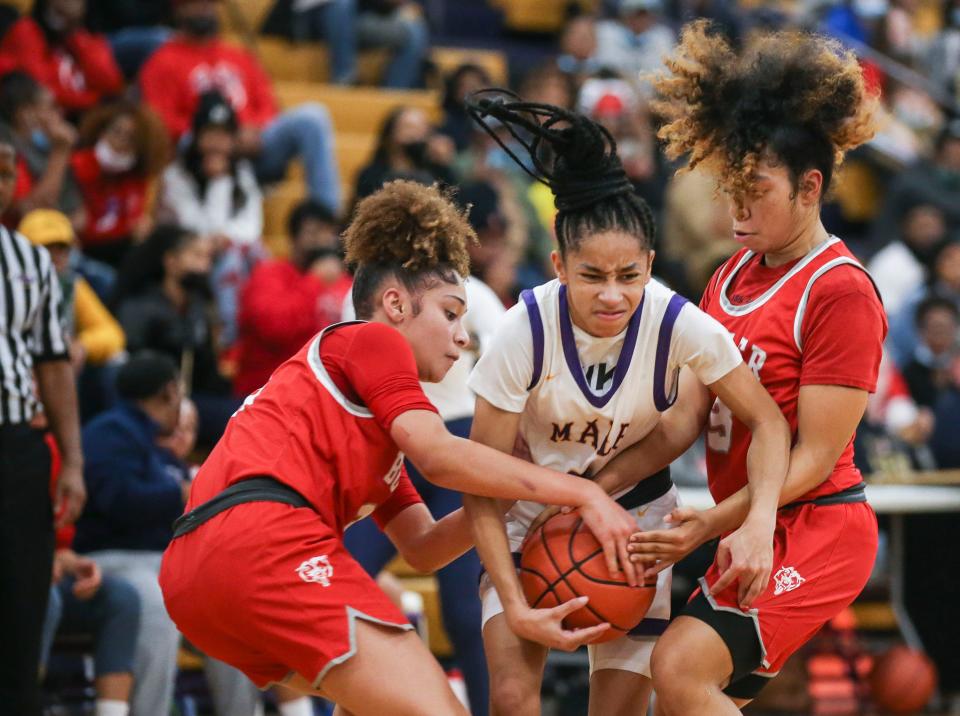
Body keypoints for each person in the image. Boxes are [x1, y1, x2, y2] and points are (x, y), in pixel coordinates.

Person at [158, 180, 639, 716]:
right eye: (451, 313)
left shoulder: (365, 423)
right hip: (262, 541)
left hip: (194, 574)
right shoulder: (371, 339)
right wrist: (579, 491)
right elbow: (438, 455)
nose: (463, 337)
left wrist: (523, 488)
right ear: (395, 304)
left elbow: (424, 547)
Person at [460, 92, 789, 716]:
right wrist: (516, 601)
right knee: (509, 696)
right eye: (591, 276)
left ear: (650, 265)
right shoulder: (521, 329)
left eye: (628, 275)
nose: (612, 295)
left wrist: (759, 521)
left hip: (635, 522)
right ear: (559, 265)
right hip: (528, 510)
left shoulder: (681, 323)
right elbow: (480, 480)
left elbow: (767, 421)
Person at [597, 22, 886, 713]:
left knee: (679, 667)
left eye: (756, 188)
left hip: (817, 523)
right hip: (751, 518)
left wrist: (712, 524)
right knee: (680, 697)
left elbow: (816, 455)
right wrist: (592, 487)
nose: (737, 207)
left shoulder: (840, 288)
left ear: (810, 187)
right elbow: (683, 423)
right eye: (731, 188)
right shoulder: (728, 276)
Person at [74, 352, 261, 716]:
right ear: (170, 392)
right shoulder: (108, 433)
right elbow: (117, 501)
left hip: (161, 560)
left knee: (229, 603)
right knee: (160, 600)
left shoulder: (157, 442)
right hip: (110, 558)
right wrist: (177, 493)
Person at [0, 137, 84, 715]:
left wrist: (72, 460)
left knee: (21, 604)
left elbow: (53, 363)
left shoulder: (30, 261)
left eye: (7, 172)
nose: (1, 183)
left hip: (16, 447)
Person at [140, 0, 341, 213]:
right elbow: (161, 122)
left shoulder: (238, 56)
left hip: (252, 151)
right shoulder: (161, 61)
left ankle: (326, 218)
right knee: (187, 141)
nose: (205, 9)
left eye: (209, 5)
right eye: (196, 4)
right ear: (178, 8)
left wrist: (254, 130)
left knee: (313, 117)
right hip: (200, 156)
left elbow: (268, 106)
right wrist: (220, 138)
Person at [113, 225, 239, 447]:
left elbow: (208, 371)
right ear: (171, 261)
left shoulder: (200, 306)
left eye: (207, 258)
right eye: (196, 256)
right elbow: (133, 365)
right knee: (237, 420)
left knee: (252, 410)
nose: (205, 266)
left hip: (197, 398)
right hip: (155, 404)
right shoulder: (141, 307)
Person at [157, 91, 264, 349]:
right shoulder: (177, 176)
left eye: (224, 135)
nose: (217, 143)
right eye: (210, 134)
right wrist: (218, 181)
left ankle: (254, 332)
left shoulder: (241, 174)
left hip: (224, 250)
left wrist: (225, 237)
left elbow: (251, 225)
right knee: (230, 260)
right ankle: (229, 338)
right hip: (184, 251)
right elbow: (193, 226)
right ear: (196, 137)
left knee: (256, 255)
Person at [234, 199, 350, 397]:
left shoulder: (344, 282)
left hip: (325, 393)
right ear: (293, 237)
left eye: (327, 233)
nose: (321, 241)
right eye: (313, 233)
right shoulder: (268, 275)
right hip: (268, 392)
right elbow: (275, 328)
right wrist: (314, 281)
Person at [71, 100, 169, 268]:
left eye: (130, 139)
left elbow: (138, 227)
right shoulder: (77, 166)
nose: (119, 142)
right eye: (116, 132)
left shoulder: (141, 179)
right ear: (102, 132)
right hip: (81, 252)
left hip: (119, 254)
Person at [0, 0, 124, 115]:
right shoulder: (26, 31)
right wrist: (95, 101)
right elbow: (40, 91)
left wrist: (77, 36)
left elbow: (111, 84)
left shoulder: (82, 41)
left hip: (72, 117)